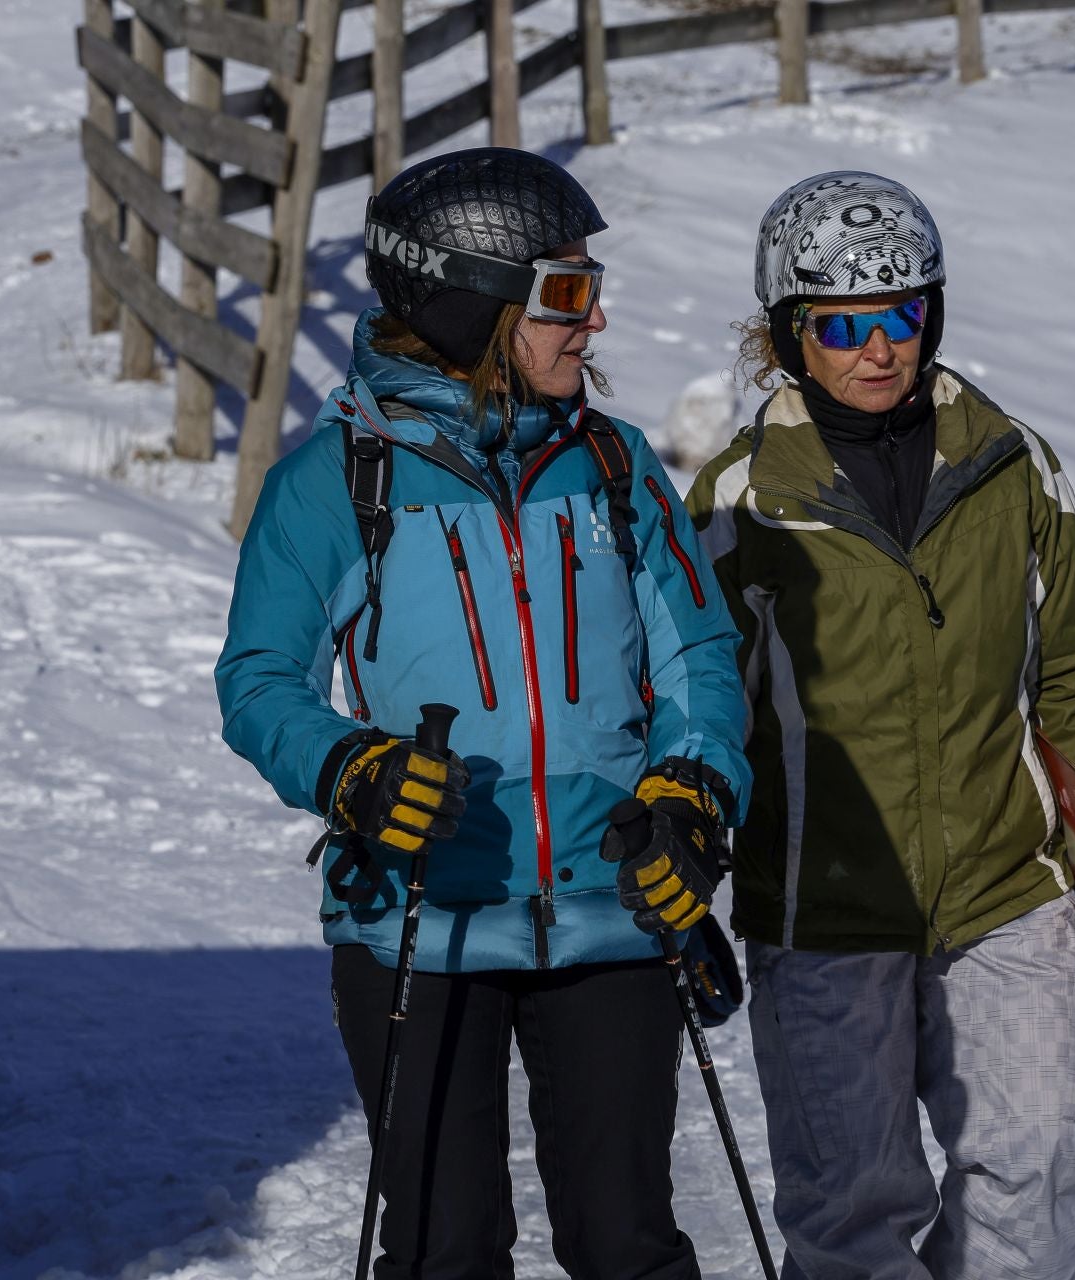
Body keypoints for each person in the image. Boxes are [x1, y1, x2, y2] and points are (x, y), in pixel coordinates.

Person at [215, 147, 751, 1280]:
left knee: (627, 1246)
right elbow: (260, 680)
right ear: (469, 301)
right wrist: (351, 767)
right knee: (444, 1247)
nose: (593, 319)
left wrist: (693, 791)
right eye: (564, 292)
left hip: (612, 907)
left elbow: (699, 655)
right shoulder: (338, 479)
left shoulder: (613, 466)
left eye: (591, 287)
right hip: (421, 912)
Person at [685, 171, 1075, 1280]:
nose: (880, 347)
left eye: (904, 314)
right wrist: (685, 852)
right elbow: (692, 703)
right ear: (790, 334)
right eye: (842, 324)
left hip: (1005, 888)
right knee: (852, 1203)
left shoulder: (1012, 467)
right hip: (823, 904)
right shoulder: (740, 503)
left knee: (1037, 1169)